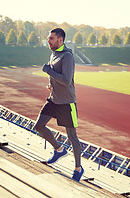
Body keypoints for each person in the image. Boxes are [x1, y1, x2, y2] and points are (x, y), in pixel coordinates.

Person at [33, 27, 84, 182]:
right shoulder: (53, 53)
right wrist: (51, 85)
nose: (48, 41)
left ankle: (78, 168)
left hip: (66, 103)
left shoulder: (67, 56)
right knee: (39, 126)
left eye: (51, 38)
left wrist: (48, 71)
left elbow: (66, 80)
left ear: (60, 40)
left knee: (72, 137)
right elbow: (56, 78)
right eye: (49, 38)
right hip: (53, 99)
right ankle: (59, 150)